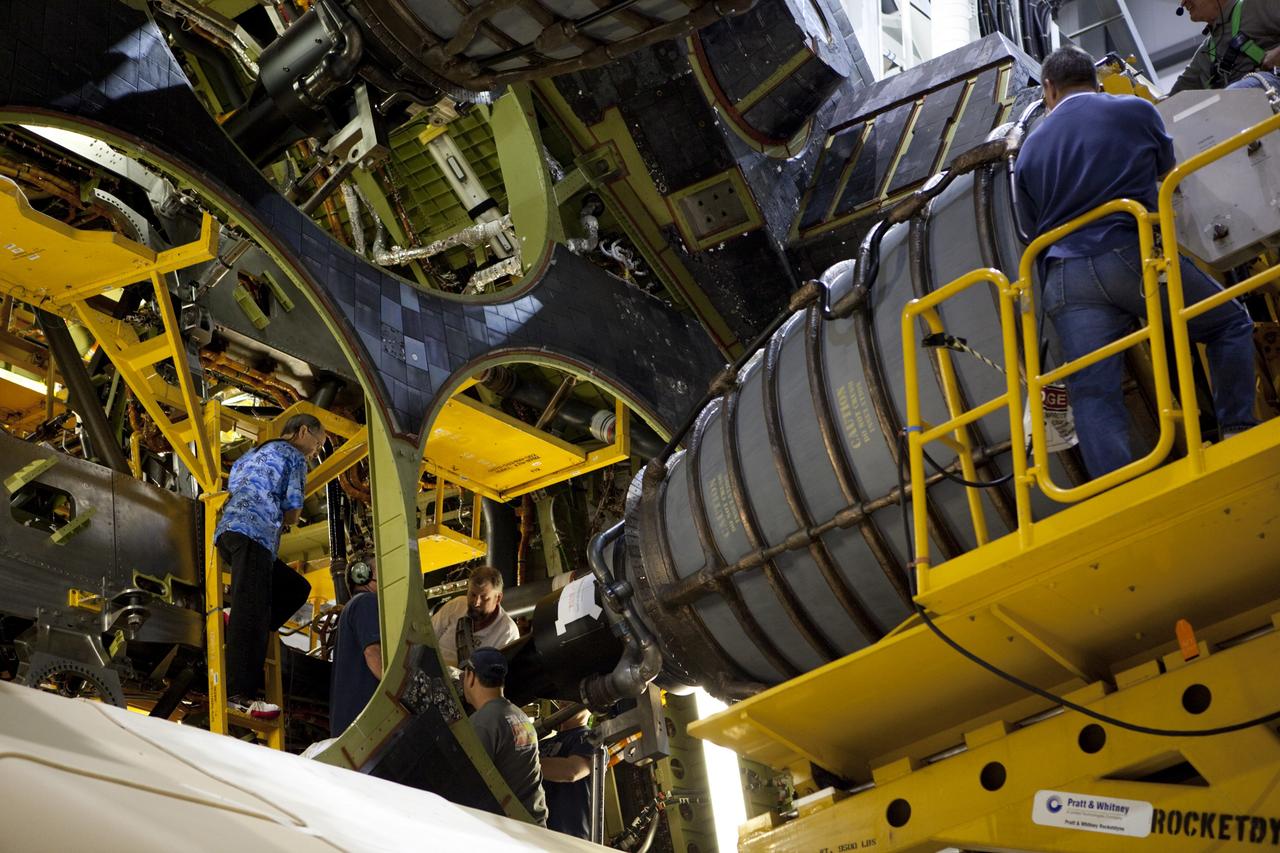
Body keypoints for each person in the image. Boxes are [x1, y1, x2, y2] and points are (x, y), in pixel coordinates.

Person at [1015, 46, 1256, 478]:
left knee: (1092, 390)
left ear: (1048, 89)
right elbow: (1169, 171)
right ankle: (1237, 428)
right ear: (1095, 78)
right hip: (1133, 255)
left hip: (1066, 278)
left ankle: (1118, 486)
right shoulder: (1132, 111)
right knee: (1227, 323)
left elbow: (1030, 229)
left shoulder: (1028, 151)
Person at [214, 413, 325, 717]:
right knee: (251, 615)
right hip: (256, 536)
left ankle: (240, 619)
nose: (315, 452)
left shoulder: (252, 455)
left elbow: (234, 485)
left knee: (294, 587)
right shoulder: (294, 456)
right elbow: (292, 513)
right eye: (317, 444)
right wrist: (290, 514)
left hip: (229, 535)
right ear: (303, 431)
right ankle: (240, 696)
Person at [462, 646, 548, 826]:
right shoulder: (520, 716)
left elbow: (469, 784)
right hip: (532, 824)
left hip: (507, 829)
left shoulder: (482, 722)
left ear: (470, 677)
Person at [1170, 0, 1280, 93]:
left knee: (1231, 96)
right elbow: (1174, 99)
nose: (1183, 2)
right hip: (1243, 106)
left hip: (1272, 84)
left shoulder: (1256, 5)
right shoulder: (1205, 53)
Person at [328, 555, 380, 737]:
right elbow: (373, 654)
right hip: (366, 724)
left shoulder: (351, 609)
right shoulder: (366, 602)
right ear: (363, 575)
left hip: (348, 728)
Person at [431, 565, 519, 669]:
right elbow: (426, 635)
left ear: (498, 598)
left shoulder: (508, 634)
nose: (476, 603)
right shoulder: (456, 605)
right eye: (472, 595)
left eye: (484, 598)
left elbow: (493, 680)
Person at [539, 705, 597, 839]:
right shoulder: (543, 742)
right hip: (535, 830)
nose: (566, 703)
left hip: (567, 837)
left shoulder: (590, 739)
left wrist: (522, 763)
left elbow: (572, 771)